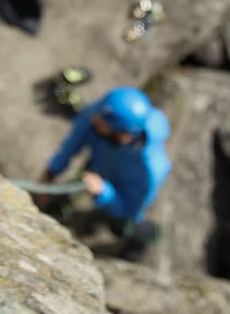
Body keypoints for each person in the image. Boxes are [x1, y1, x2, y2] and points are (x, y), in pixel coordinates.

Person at [44, 84, 171, 247]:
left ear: (122, 134)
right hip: (99, 165)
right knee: (70, 192)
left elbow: (128, 208)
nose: (94, 118)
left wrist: (103, 191)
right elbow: (75, 140)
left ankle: (149, 235)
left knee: (121, 226)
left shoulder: (150, 172)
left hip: (123, 193)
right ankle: (58, 211)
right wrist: (50, 172)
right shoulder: (103, 113)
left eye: (102, 121)